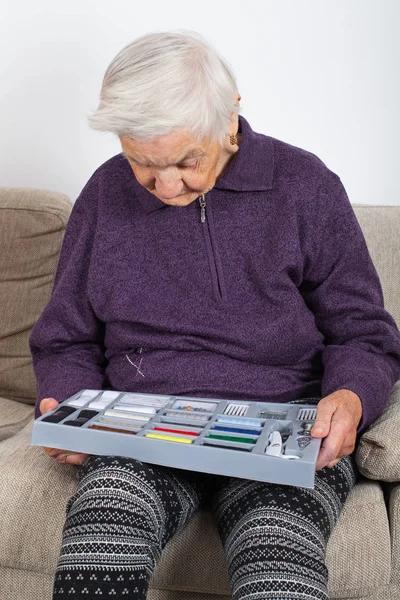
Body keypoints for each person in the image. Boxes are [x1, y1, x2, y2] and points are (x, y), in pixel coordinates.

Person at [29, 30, 400, 600]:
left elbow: (364, 333)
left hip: (283, 424)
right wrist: (74, 405)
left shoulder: (304, 186)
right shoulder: (104, 195)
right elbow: (65, 340)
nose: (165, 185)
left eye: (186, 160)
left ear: (230, 120)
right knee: (100, 537)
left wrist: (349, 397)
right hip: (142, 426)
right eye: (142, 164)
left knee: (279, 560)